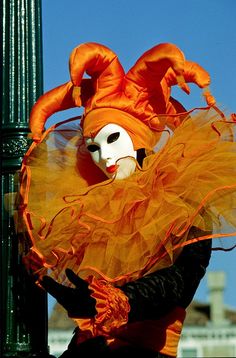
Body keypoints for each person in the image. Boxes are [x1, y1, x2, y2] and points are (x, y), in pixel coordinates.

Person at [18, 42, 236, 357]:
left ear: (137, 138)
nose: (103, 156)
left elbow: (181, 278)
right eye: (93, 147)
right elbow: (77, 292)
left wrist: (125, 300)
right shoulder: (90, 213)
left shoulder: (183, 197)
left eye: (113, 138)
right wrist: (55, 279)